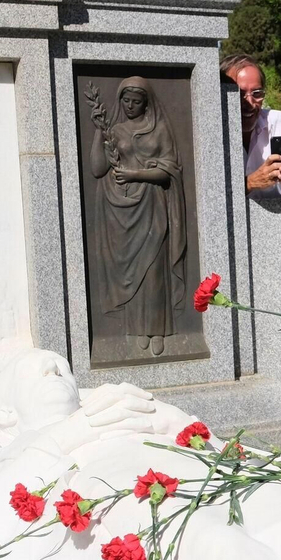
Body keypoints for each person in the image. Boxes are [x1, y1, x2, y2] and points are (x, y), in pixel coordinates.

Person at [83, 77, 189, 357]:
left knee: (153, 270)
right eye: (126, 101)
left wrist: (134, 173)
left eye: (136, 101)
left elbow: (169, 171)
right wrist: (98, 131)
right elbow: (96, 169)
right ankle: (136, 328)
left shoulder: (160, 130)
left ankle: (158, 329)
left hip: (152, 206)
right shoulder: (115, 130)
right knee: (131, 272)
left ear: (146, 103)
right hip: (120, 210)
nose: (130, 106)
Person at [220, 54, 281, 199]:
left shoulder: (278, 122)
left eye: (257, 93)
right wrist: (249, 183)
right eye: (239, 94)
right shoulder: (209, 131)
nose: (249, 102)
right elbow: (209, 195)